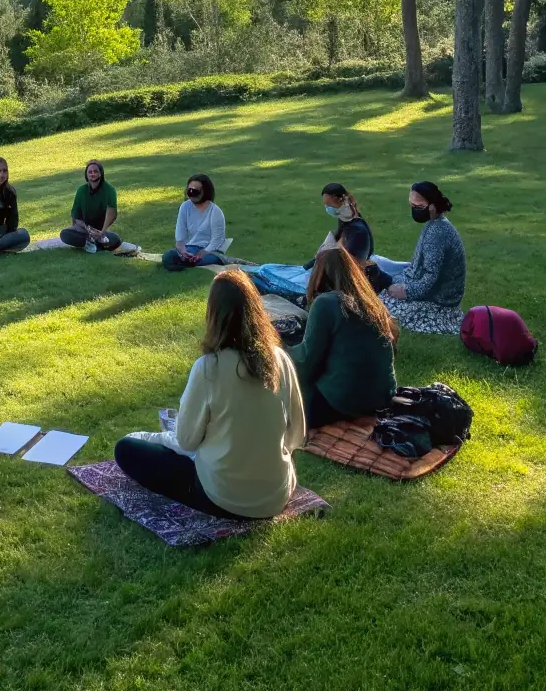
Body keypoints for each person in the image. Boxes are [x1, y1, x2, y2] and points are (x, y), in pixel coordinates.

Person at [114, 269, 306, 518]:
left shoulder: (208, 368)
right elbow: (297, 435)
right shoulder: (280, 359)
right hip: (276, 495)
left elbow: (186, 441)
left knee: (126, 449)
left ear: (213, 315)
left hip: (222, 497)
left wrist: (151, 437)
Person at [290, 247, 398, 428]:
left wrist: (278, 348)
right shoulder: (371, 302)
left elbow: (306, 362)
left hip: (343, 401)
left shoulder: (325, 303)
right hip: (383, 397)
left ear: (319, 274)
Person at [380, 181, 467, 334]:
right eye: (411, 205)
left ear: (433, 206)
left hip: (440, 301)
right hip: (428, 286)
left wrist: (406, 292)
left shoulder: (438, 233)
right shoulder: (436, 223)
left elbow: (430, 280)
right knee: (379, 268)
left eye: (418, 207)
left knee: (382, 304)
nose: (414, 210)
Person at [59, 160, 139, 256]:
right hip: (85, 230)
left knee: (116, 239)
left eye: (95, 171)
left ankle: (94, 244)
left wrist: (102, 232)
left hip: (101, 232)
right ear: (86, 175)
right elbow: (76, 217)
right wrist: (87, 229)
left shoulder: (110, 190)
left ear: (101, 174)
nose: (92, 174)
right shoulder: (81, 190)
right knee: (64, 234)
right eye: (90, 172)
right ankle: (92, 244)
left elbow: (112, 213)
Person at [161, 175, 229, 271]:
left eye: (196, 191)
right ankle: (184, 262)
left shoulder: (215, 212)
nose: (192, 194)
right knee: (168, 256)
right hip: (191, 248)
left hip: (212, 251)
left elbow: (216, 241)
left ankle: (184, 263)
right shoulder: (185, 207)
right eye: (189, 191)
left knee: (190, 259)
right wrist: (183, 251)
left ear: (205, 192)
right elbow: (180, 236)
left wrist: (202, 253)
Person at [311, 184, 374, 263]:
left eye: (329, 205)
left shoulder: (357, 229)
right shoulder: (347, 221)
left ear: (340, 200)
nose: (327, 208)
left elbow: (353, 261)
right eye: (325, 205)